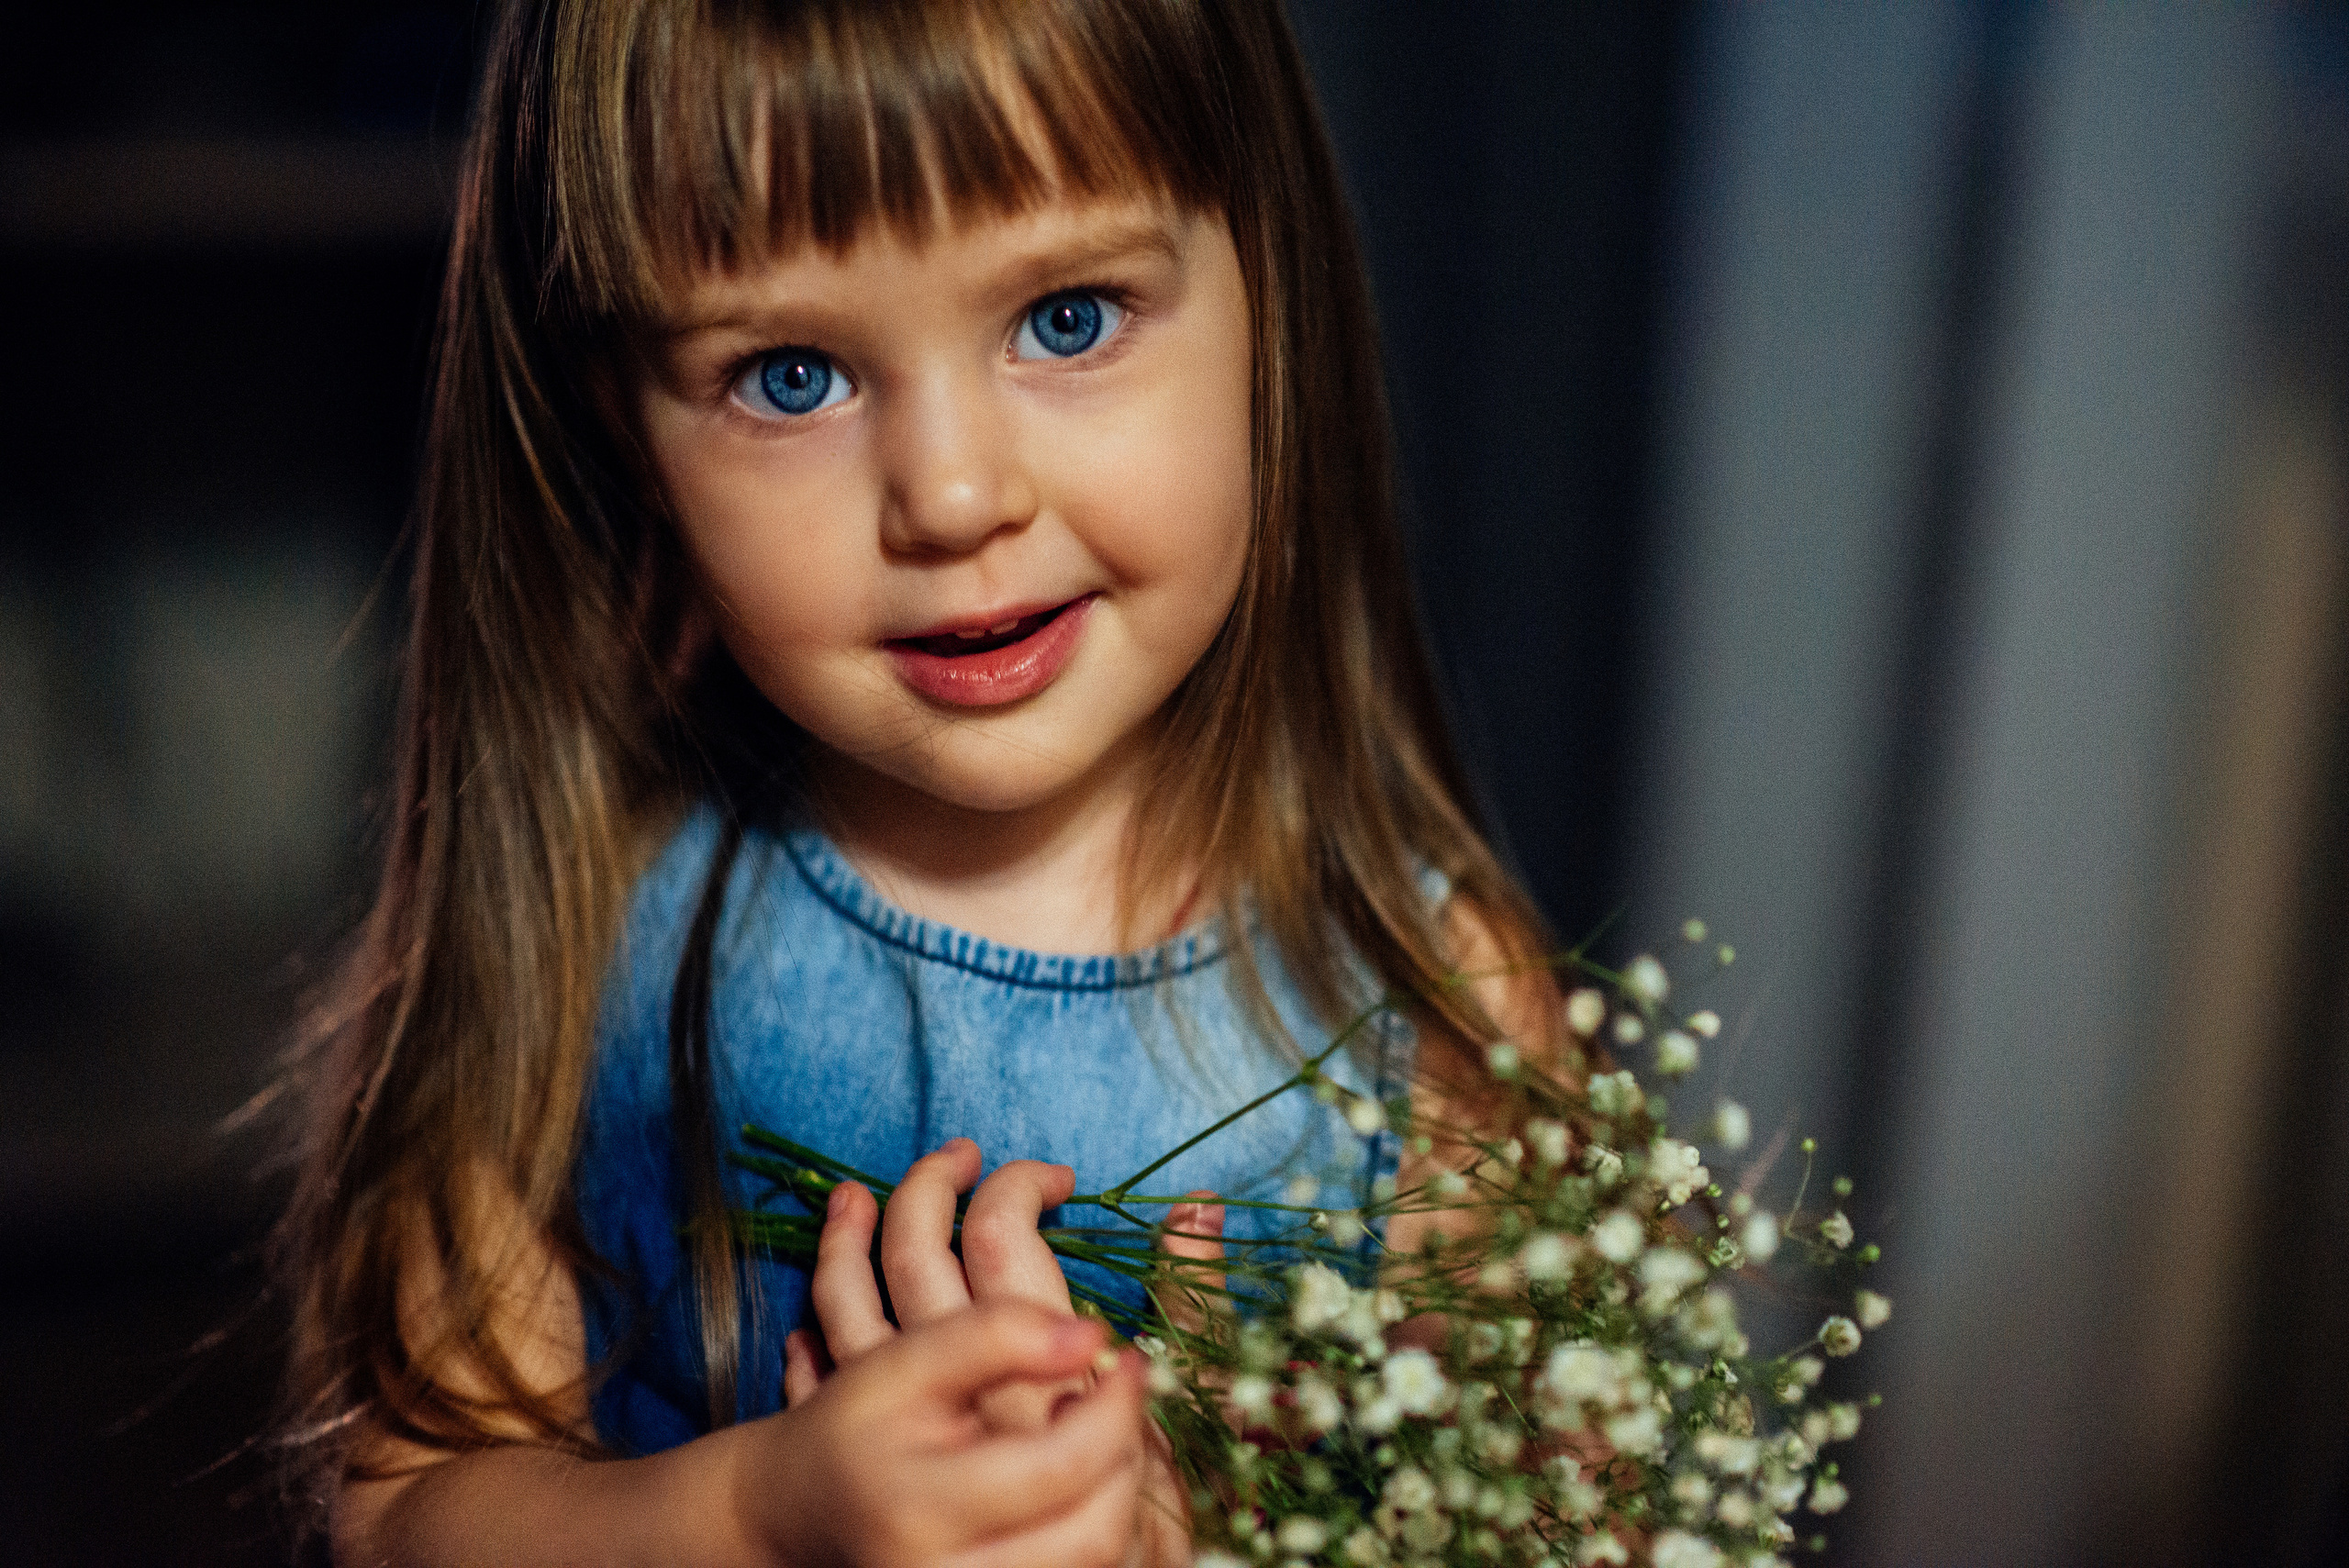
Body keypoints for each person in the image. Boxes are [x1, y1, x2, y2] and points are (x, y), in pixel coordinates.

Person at [271, 1, 1563, 1562]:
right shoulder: (577, 931)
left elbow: (1580, 1518)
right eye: (794, 374)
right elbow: (407, 1514)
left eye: (1069, 318)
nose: (953, 496)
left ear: (1268, 293)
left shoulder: (1430, 1004)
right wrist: (758, 1513)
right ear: (621, 426)